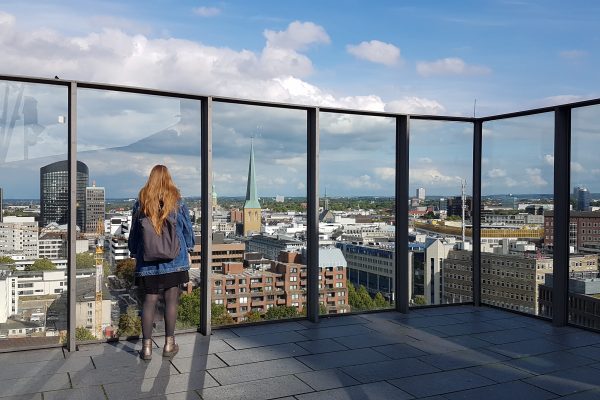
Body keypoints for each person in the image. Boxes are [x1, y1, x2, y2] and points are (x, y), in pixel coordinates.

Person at [128, 165, 195, 360]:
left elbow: (134, 233)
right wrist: (188, 248)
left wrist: (134, 251)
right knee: (171, 301)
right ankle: (168, 345)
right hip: (174, 259)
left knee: (149, 301)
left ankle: (146, 348)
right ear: (168, 179)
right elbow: (186, 230)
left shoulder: (141, 202)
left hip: (147, 260)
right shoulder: (177, 201)